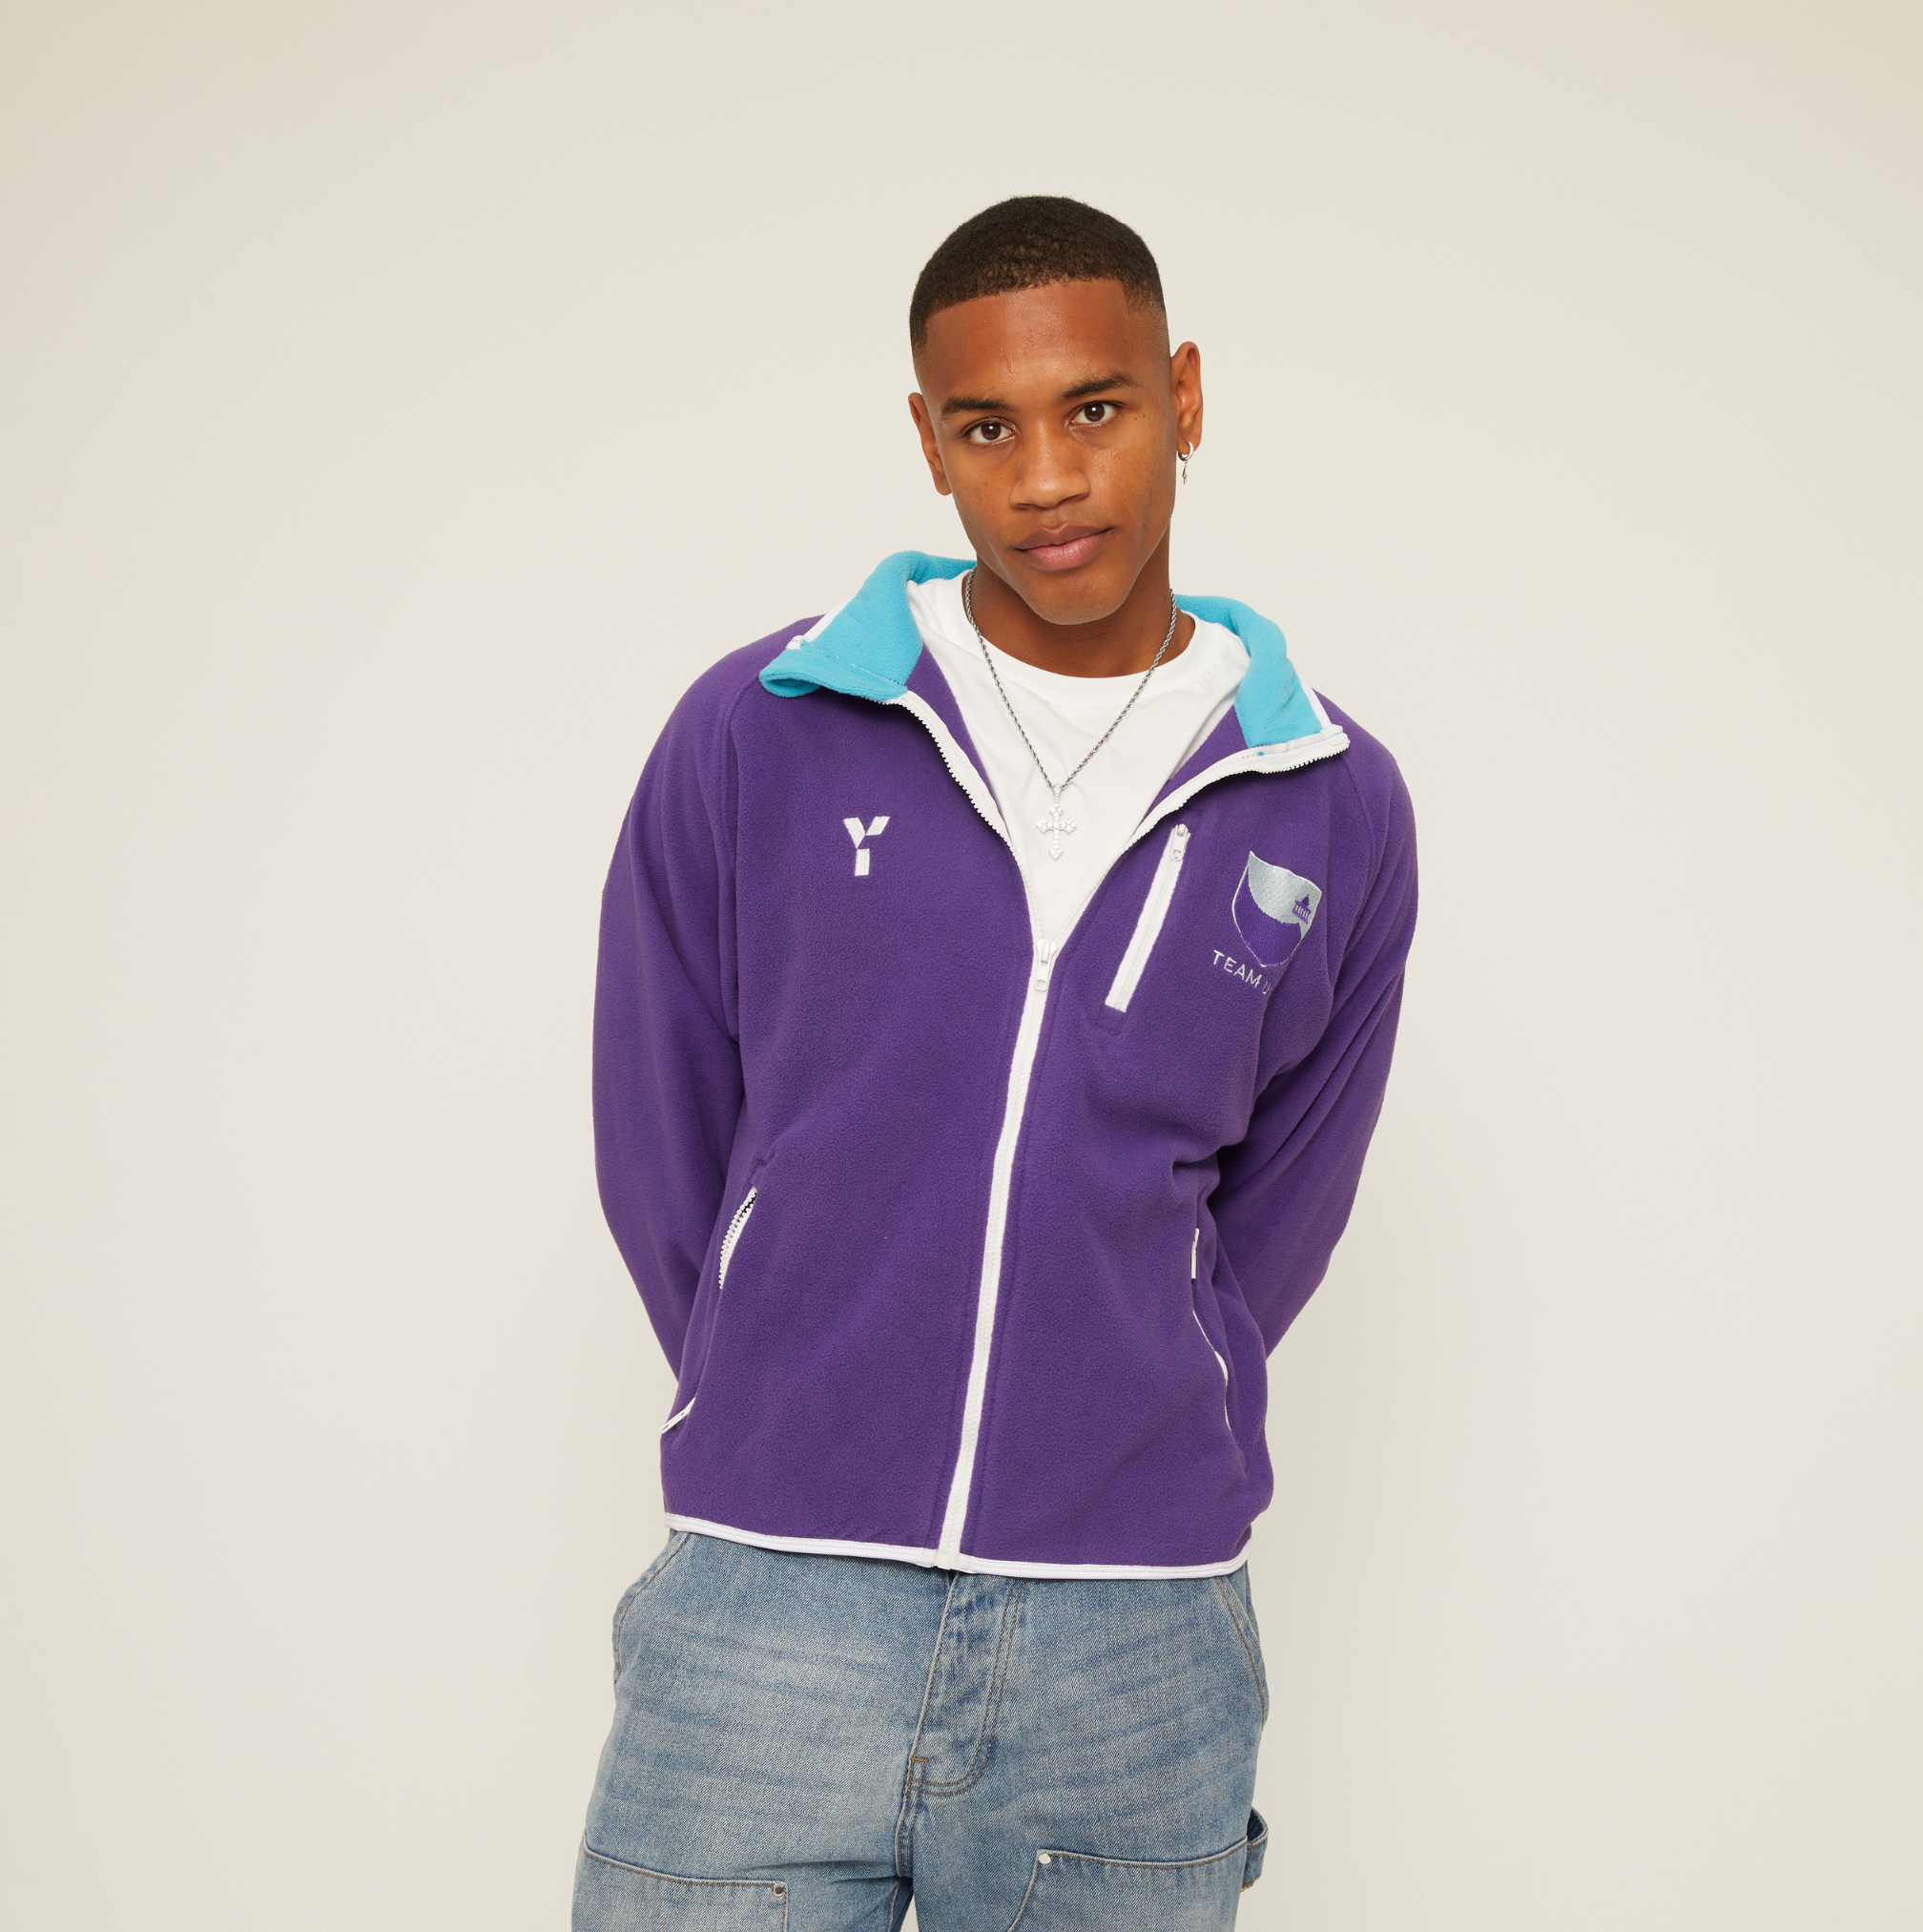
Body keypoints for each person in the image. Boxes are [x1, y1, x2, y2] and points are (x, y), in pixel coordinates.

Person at [573, 195, 1418, 1930]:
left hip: (1133, 1642)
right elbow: (660, 1125)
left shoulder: (1331, 800)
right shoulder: (760, 730)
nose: (1045, 477)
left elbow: (1281, 1207)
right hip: (767, 1606)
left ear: (1185, 396)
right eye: (986, 428)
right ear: (928, 441)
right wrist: (784, 1376)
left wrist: (1114, 1394)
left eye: (1095, 408)